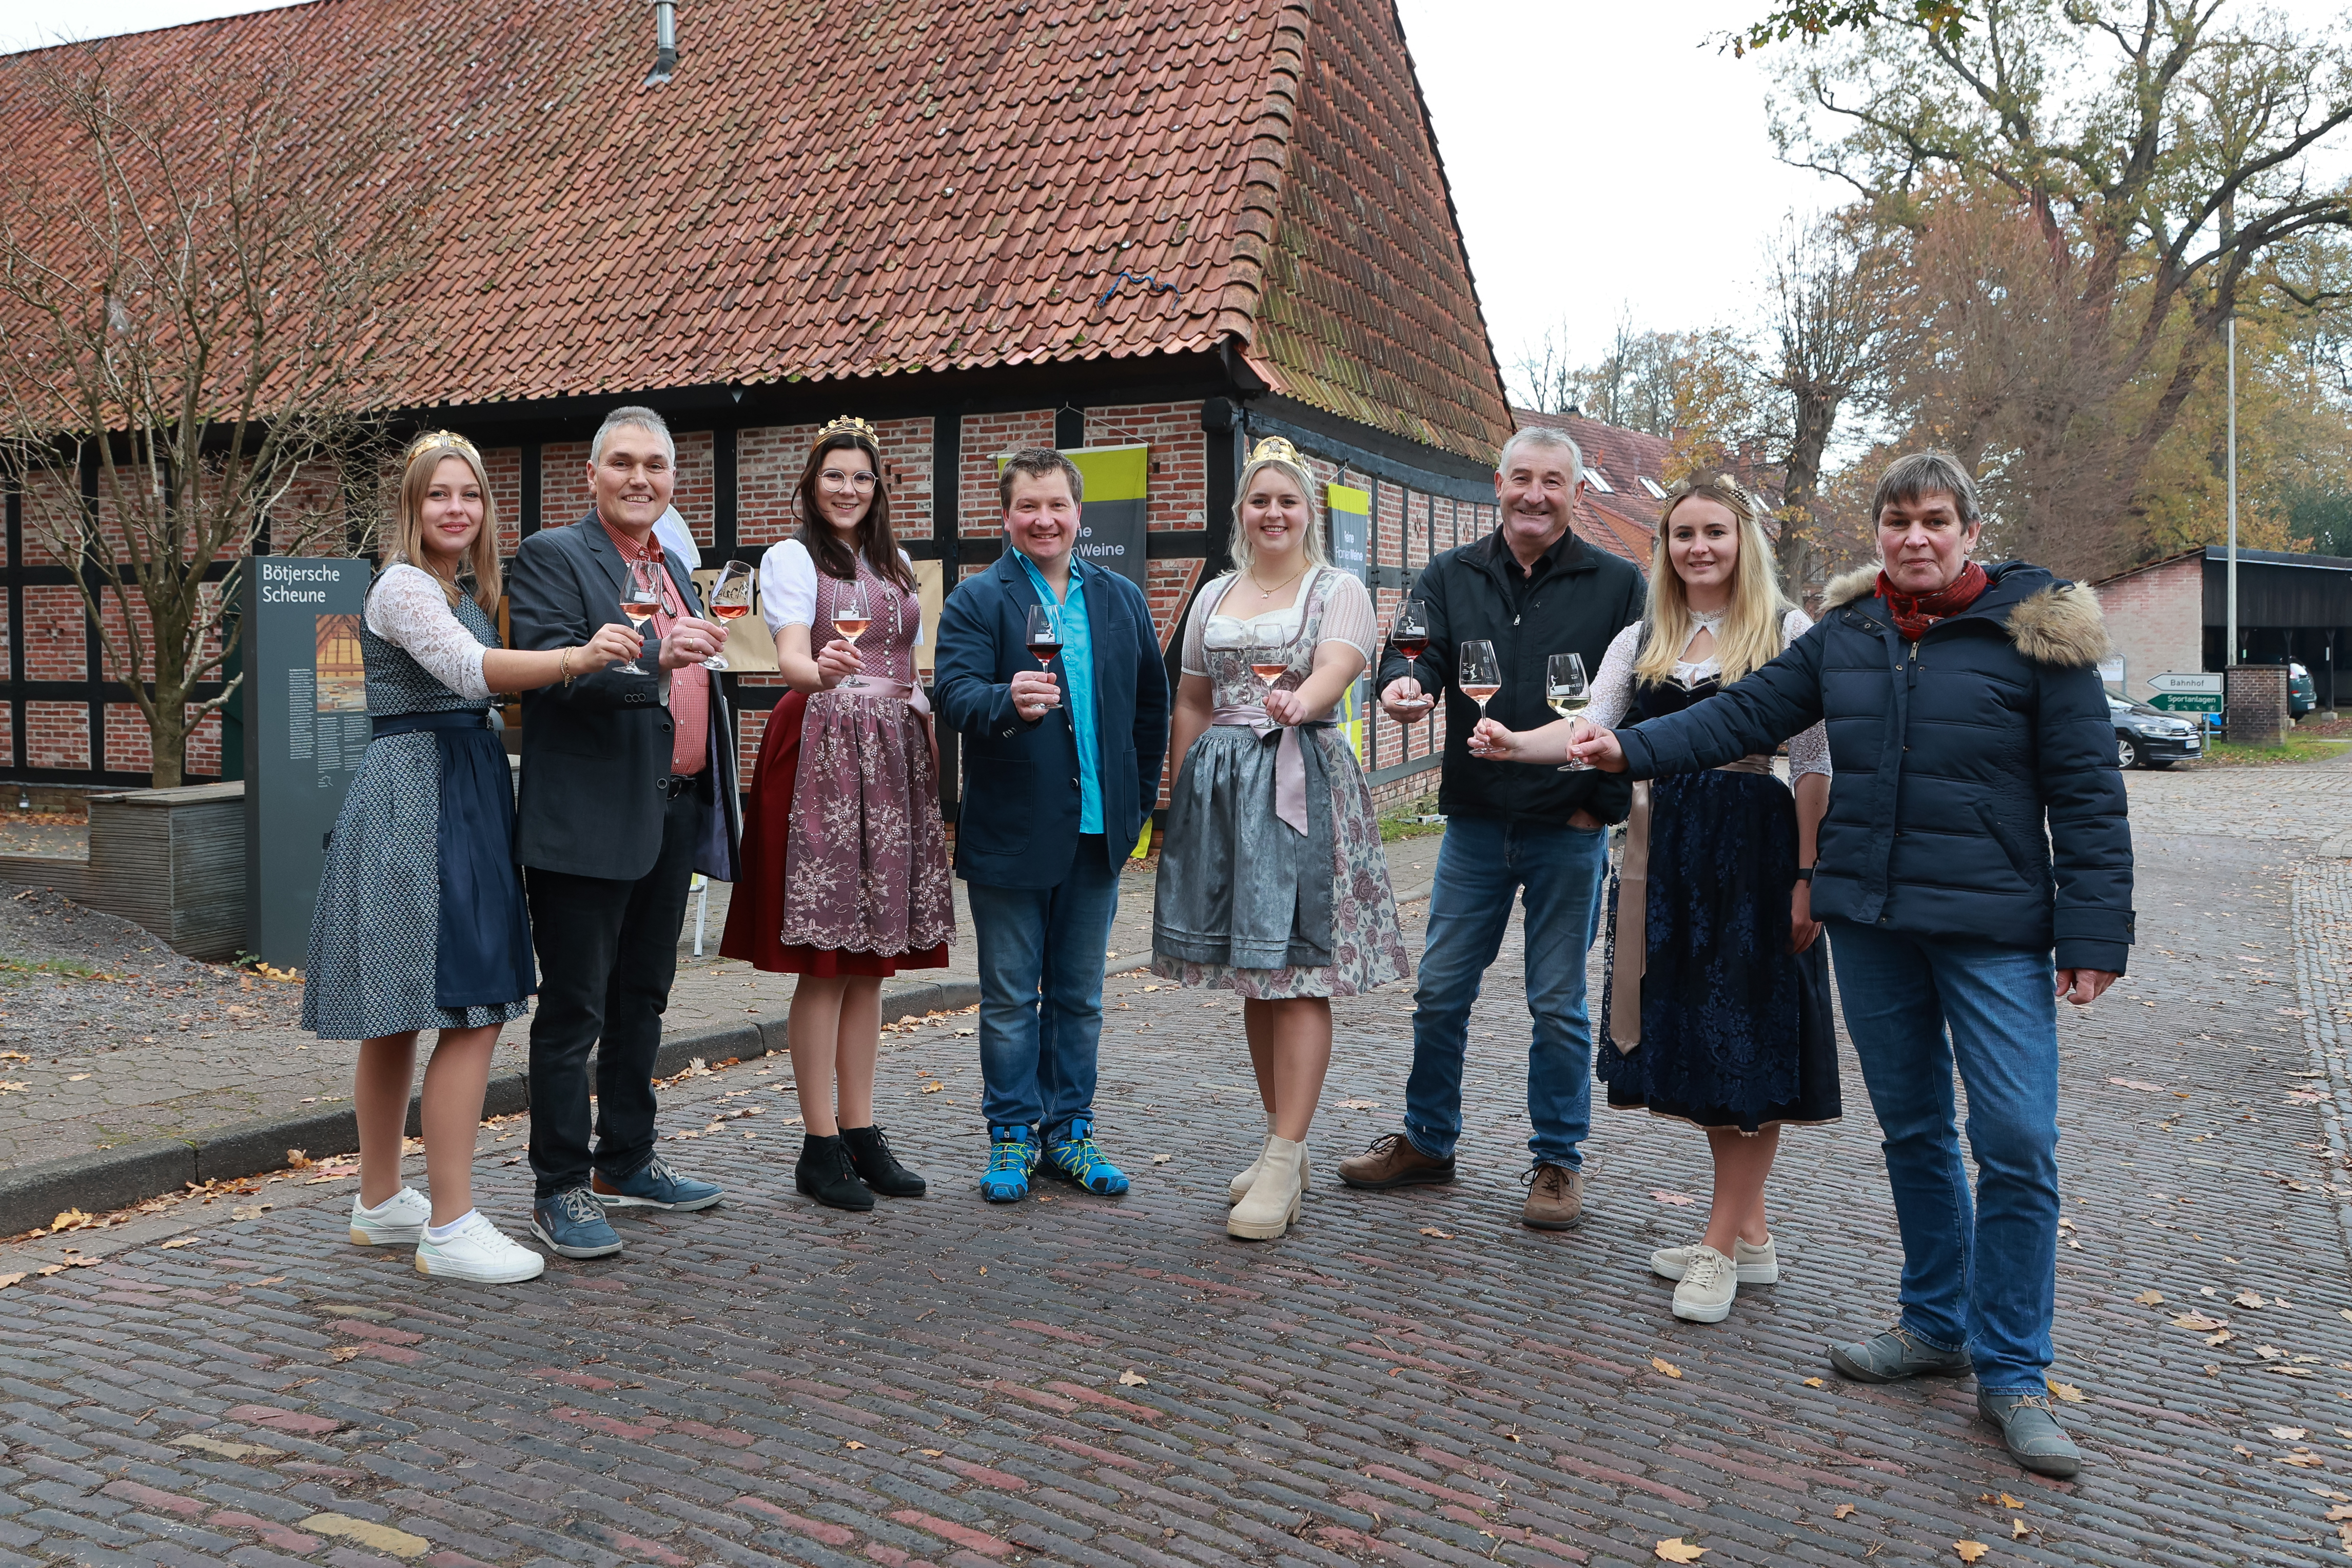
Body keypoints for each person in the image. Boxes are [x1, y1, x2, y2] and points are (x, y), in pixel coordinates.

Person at [1570, 451, 2131, 1479]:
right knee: (1915, 1128)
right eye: (1897, 521)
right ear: (1877, 534)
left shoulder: (2037, 634)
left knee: (2016, 1140)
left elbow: (2090, 794)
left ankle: (2014, 1372)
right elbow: (1740, 716)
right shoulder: (1849, 632)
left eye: (1934, 519)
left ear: (1967, 529)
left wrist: (2094, 936)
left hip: (1995, 927)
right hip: (1871, 920)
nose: (1914, 537)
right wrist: (1626, 752)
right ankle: (1933, 1325)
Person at [1470, 473, 1836, 1322]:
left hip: (1754, 847)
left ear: (1745, 542)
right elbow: (1588, 731)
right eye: (1682, 535)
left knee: (1749, 1042)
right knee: (1706, 1044)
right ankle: (1750, 1237)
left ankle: (1716, 1247)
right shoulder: (1643, 636)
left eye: (1715, 531)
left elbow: (1816, 762)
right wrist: (1513, 743)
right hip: (1667, 849)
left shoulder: (1787, 631)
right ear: (1664, 549)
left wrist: (1809, 874)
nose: (1698, 547)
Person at [305, 431, 639, 1284]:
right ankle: (449, 1225)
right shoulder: (404, 586)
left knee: (404, 1009)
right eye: (438, 495)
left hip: (456, 786)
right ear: (411, 508)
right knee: (472, 1003)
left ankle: (380, 1201)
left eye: (472, 495)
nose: (457, 508)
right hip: (425, 798)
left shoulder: (466, 586)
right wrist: (578, 656)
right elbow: (466, 673)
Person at [1342, 425, 1644, 1230]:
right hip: (1475, 821)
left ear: (1578, 495)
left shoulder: (1620, 584)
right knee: (1440, 992)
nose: (1535, 496)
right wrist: (1405, 685)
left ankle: (1556, 1164)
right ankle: (1430, 1143)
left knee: (1557, 1005)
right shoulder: (1451, 572)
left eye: (1553, 482)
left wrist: (1599, 807)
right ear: (1498, 486)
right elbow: (1412, 652)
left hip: (1567, 825)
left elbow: (1634, 704)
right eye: (1521, 479)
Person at [1153, 438, 1410, 1241]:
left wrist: (1304, 700)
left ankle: (1285, 1153)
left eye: (1287, 502)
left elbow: (1340, 664)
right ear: (1242, 514)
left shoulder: (1338, 589)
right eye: (1260, 501)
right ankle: (1280, 1144)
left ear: (1309, 515)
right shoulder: (1215, 594)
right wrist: (1183, 796)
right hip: (1224, 793)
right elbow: (1193, 699)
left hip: (1302, 782)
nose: (1273, 513)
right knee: (1253, 971)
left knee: (1298, 971)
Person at [507, 405, 741, 1261]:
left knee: (643, 998)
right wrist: (657, 659)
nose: (641, 479)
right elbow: (551, 675)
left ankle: (627, 1162)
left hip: (669, 809)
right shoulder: (551, 557)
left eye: (657, 466)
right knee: (574, 1009)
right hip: (586, 822)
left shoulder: (674, 562)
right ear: (594, 475)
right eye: (624, 464)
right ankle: (559, 1186)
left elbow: (693, 674)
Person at [720, 417, 952, 1211]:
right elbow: (787, 652)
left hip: (892, 753)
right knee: (826, 958)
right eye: (833, 477)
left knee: (870, 961)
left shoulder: (895, 562)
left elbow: (908, 662)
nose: (848, 490)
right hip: (822, 741)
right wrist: (816, 668)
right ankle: (818, 1145)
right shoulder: (791, 559)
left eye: (861, 478)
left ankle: (861, 1130)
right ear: (811, 486)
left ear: (878, 486)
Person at [934, 448, 1169, 1203]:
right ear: (1007, 517)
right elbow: (954, 696)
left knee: (1081, 997)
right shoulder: (978, 599)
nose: (1044, 520)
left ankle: (1070, 1133)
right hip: (1010, 833)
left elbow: (1148, 709)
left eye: (1057, 506)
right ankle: (1011, 1137)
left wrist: (1133, 805)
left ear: (1079, 514)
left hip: (1099, 833)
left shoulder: (1121, 598)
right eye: (1028, 507)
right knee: (1009, 1000)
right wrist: (1007, 699)